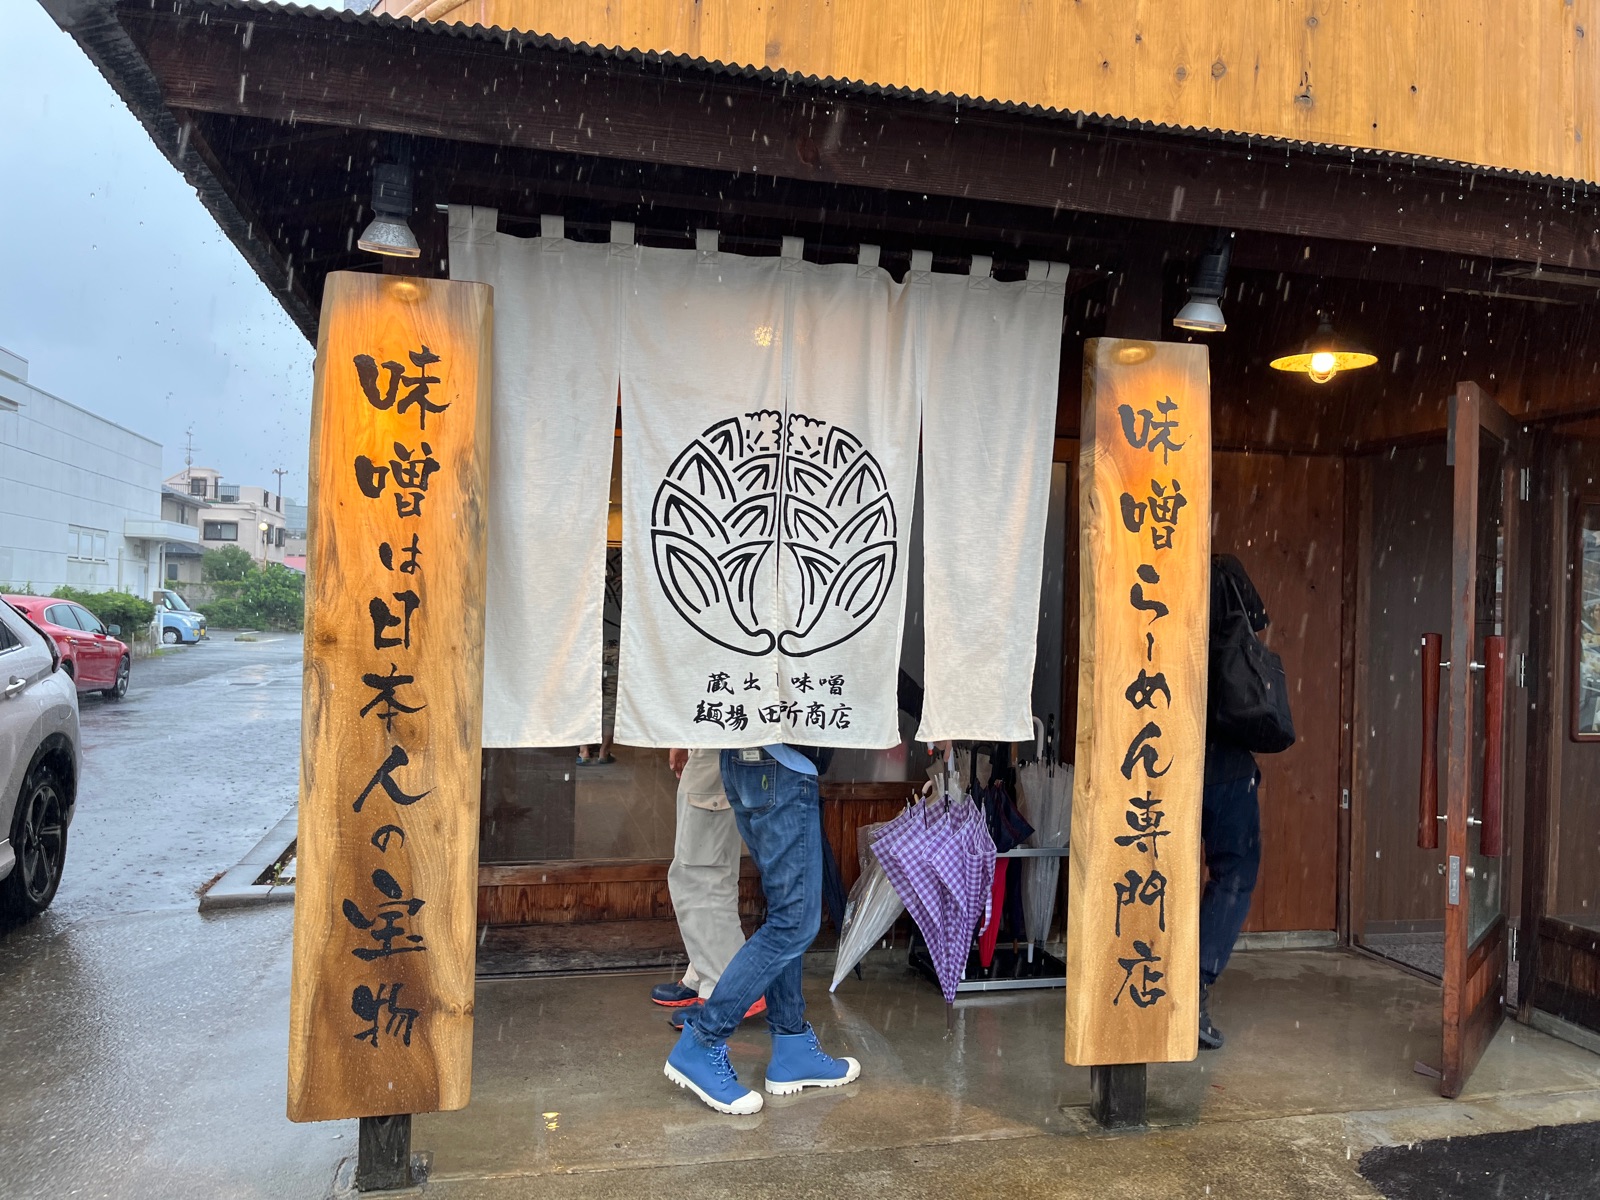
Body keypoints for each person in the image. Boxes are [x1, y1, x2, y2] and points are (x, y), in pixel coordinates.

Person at [664, 744, 860, 1114]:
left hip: (748, 757)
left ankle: (792, 1044)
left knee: (787, 912)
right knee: (794, 922)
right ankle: (703, 1042)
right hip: (783, 760)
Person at [1199, 553, 1269, 1050]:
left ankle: (1153, 989)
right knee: (1235, 874)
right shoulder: (1227, 581)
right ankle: (1195, 985)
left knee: (1160, 877)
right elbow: (1261, 623)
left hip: (1163, 765)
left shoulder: (1158, 586)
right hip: (1226, 769)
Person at [650, 748, 767, 1028]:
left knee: (699, 875)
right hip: (724, 741)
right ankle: (706, 974)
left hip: (715, 738)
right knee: (715, 872)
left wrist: (683, 736)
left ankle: (726, 988)